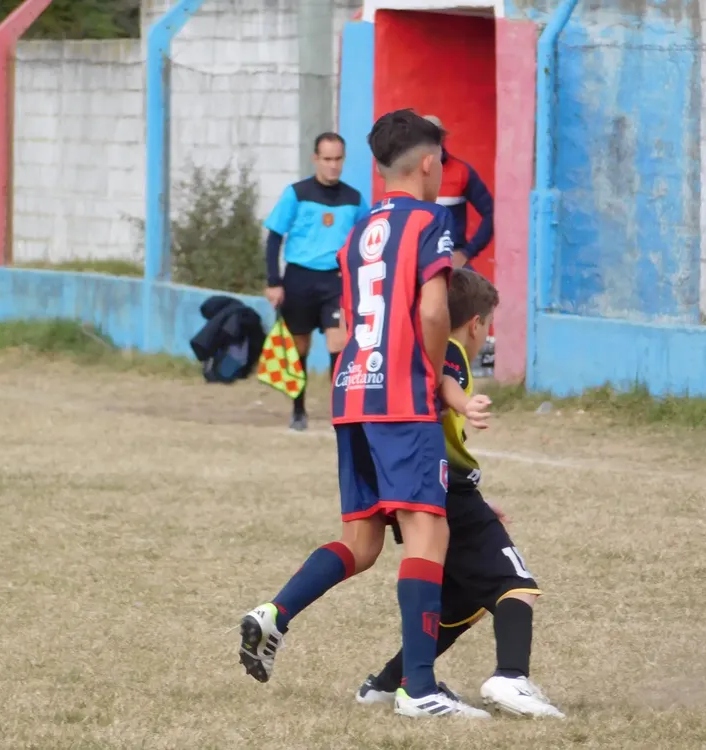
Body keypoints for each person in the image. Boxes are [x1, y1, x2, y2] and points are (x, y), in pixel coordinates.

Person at [238, 110, 489, 719]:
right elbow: (433, 311)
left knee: (363, 540)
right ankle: (420, 688)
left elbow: (354, 320)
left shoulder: (359, 229)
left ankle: (274, 613)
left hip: (352, 390)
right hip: (400, 395)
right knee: (430, 530)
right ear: (429, 163)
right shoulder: (434, 219)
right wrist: (433, 381)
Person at [353, 269, 564, 719]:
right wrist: (465, 406)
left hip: (439, 485)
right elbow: (439, 399)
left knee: (460, 602)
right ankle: (512, 677)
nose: (485, 334)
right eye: (488, 325)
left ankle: (387, 684)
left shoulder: (424, 349)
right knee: (516, 585)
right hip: (447, 488)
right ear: (475, 325)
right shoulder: (450, 352)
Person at [263, 132, 369, 431]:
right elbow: (273, 238)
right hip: (299, 278)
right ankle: (298, 410)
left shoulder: (355, 199)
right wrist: (274, 281)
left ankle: (340, 411)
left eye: (338, 159)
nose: (333, 165)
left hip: (336, 282)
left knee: (339, 342)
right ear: (315, 159)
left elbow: (367, 240)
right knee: (300, 346)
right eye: (327, 159)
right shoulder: (296, 194)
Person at [422, 116, 494, 270]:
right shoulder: (409, 174)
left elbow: (492, 213)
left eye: (435, 136)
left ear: (442, 138)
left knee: (475, 293)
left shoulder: (462, 172)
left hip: (451, 263)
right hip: (417, 260)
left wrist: (467, 252)